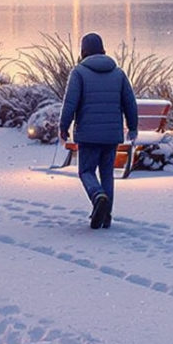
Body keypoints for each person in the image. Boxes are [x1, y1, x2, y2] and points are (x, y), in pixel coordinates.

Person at [60, 32, 139, 228]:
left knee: (86, 171)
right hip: (111, 135)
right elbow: (130, 103)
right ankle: (106, 216)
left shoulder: (78, 73)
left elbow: (70, 103)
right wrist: (133, 126)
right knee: (106, 174)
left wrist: (63, 126)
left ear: (83, 51)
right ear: (103, 49)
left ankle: (97, 197)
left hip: (88, 134)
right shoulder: (119, 73)